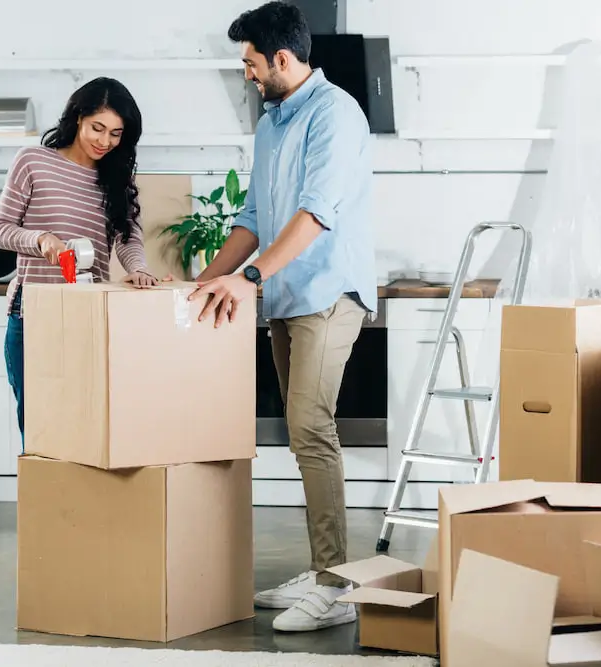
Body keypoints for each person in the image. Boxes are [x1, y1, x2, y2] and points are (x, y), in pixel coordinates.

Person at [191, 1, 377, 634]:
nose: (245, 74)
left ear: (282, 58)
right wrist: (212, 278)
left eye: (249, 62)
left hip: (328, 292)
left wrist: (246, 280)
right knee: (301, 437)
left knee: (310, 426)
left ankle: (336, 585)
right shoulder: (271, 121)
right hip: (282, 295)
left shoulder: (336, 114)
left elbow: (316, 213)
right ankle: (323, 569)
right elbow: (252, 216)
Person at [0, 76, 162, 446]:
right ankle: (46, 502)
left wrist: (138, 269)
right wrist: (41, 239)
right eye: (97, 128)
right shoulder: (33, 161)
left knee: (87, 423)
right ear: (77, 117)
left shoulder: (116, 178)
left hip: (89, 314)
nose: (104, 141)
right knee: (38, 425)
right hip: (33, 312)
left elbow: (128, 236)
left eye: (116, 134)